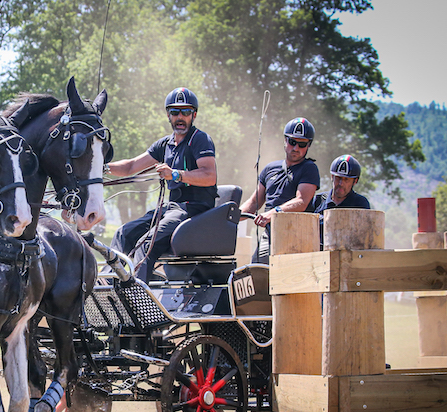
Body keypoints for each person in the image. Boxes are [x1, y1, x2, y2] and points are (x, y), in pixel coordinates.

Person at [107, 87, 218, 282]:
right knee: (124, 233)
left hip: (195, 210)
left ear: (194, 114)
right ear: (168, 115)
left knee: (146, 243)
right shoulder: (164, 144)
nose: (180, 117)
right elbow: (132, 166)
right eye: (175, 112)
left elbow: (210, 176)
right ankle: (108, 286)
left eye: (185, 112)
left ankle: (136, 297)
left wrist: (175, 174)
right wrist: (100, 167)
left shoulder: (200, 139)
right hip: (171, 209)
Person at [240, 117, 320, 263]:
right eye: (292, 142)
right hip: (271, 233)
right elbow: (253, 203)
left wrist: (273, 213)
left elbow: (301, 201)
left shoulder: (309, 169)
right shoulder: (270, 169)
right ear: (285, 140)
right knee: (256, 271)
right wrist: (230, 216)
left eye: (302, 144)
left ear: (308, 145)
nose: (296, 148)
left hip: (297, 234)